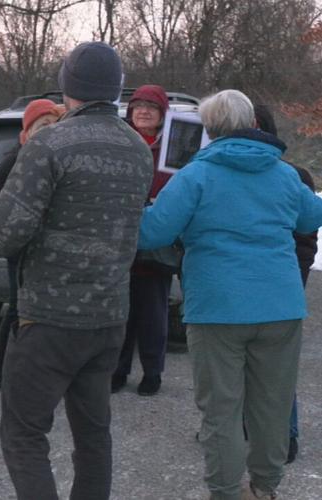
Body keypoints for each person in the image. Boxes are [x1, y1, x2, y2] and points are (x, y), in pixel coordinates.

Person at [0, 42, 154, 500]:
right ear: (116, 89)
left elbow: (3, 236)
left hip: (49, 318)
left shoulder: (49, 143)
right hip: (108, 317)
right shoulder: (138, 149)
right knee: (93, 434)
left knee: (23, 434)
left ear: (68, 87)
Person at [137, 90, 322, 500]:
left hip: (216, 308)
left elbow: (153, 233)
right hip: (280, 307)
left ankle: (224, 491)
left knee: (221, 411)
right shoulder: (284, 174)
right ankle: (265, 488)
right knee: (272, 407)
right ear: (253, 124)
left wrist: (141, 207)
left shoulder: (194, 176)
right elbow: (312, 215)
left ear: (210, 130)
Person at [0, 98, 63, 389]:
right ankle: (1, 369)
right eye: (43, 126)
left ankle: (38, 370)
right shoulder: (14, 161)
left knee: (45, 314)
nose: (49, 131)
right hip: (20, 251)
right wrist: (20, 226)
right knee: (18, 310)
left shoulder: (58, 159)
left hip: (49, 251)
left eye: (54, 125)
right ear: (27, 132)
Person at [254, 104, 315, 465]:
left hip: (280, 286)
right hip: (246, 285)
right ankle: (237, 426)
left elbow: (306, 237)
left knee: (276, 367)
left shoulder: (294, 177)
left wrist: (296, 275)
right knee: (238, 362)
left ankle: (286, 433)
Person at [112, 84, 175, 396]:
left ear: (162, 113)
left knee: (153, 316)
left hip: (157, 247)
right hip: (120, 244)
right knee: (120, 315)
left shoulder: (174, 148)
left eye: (152, 106)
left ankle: (152, 372)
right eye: (138, 106)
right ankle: (118, 369)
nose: (144, 111)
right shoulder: (118, 142)